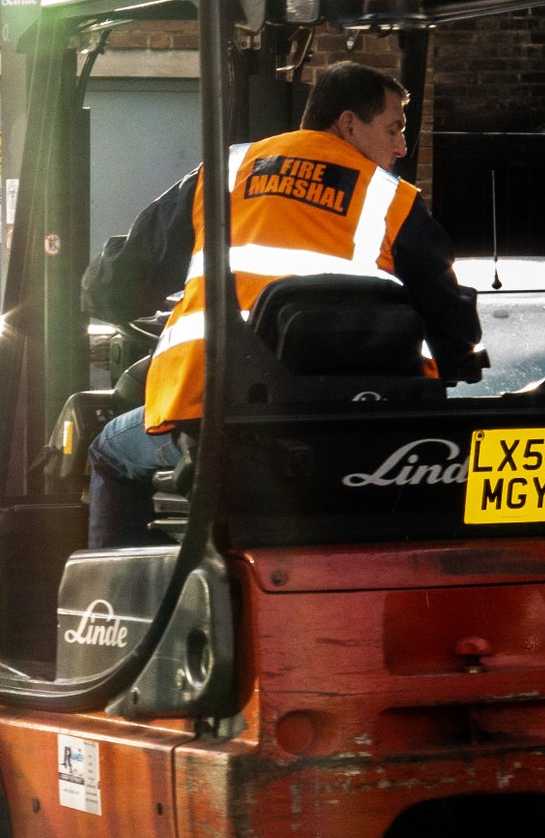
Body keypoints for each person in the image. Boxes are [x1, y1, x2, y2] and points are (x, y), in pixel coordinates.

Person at [81, 60, 481, 548]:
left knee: (109, 451)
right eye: (394, 129)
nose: (401, 146)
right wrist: (454, 361)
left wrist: (100, 287)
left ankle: (113, 613)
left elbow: (121, 283)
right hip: (363, 427)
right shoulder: (393, 201)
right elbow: (452, 322)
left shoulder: (227, 170)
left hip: (220, 415)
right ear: (348, 123)